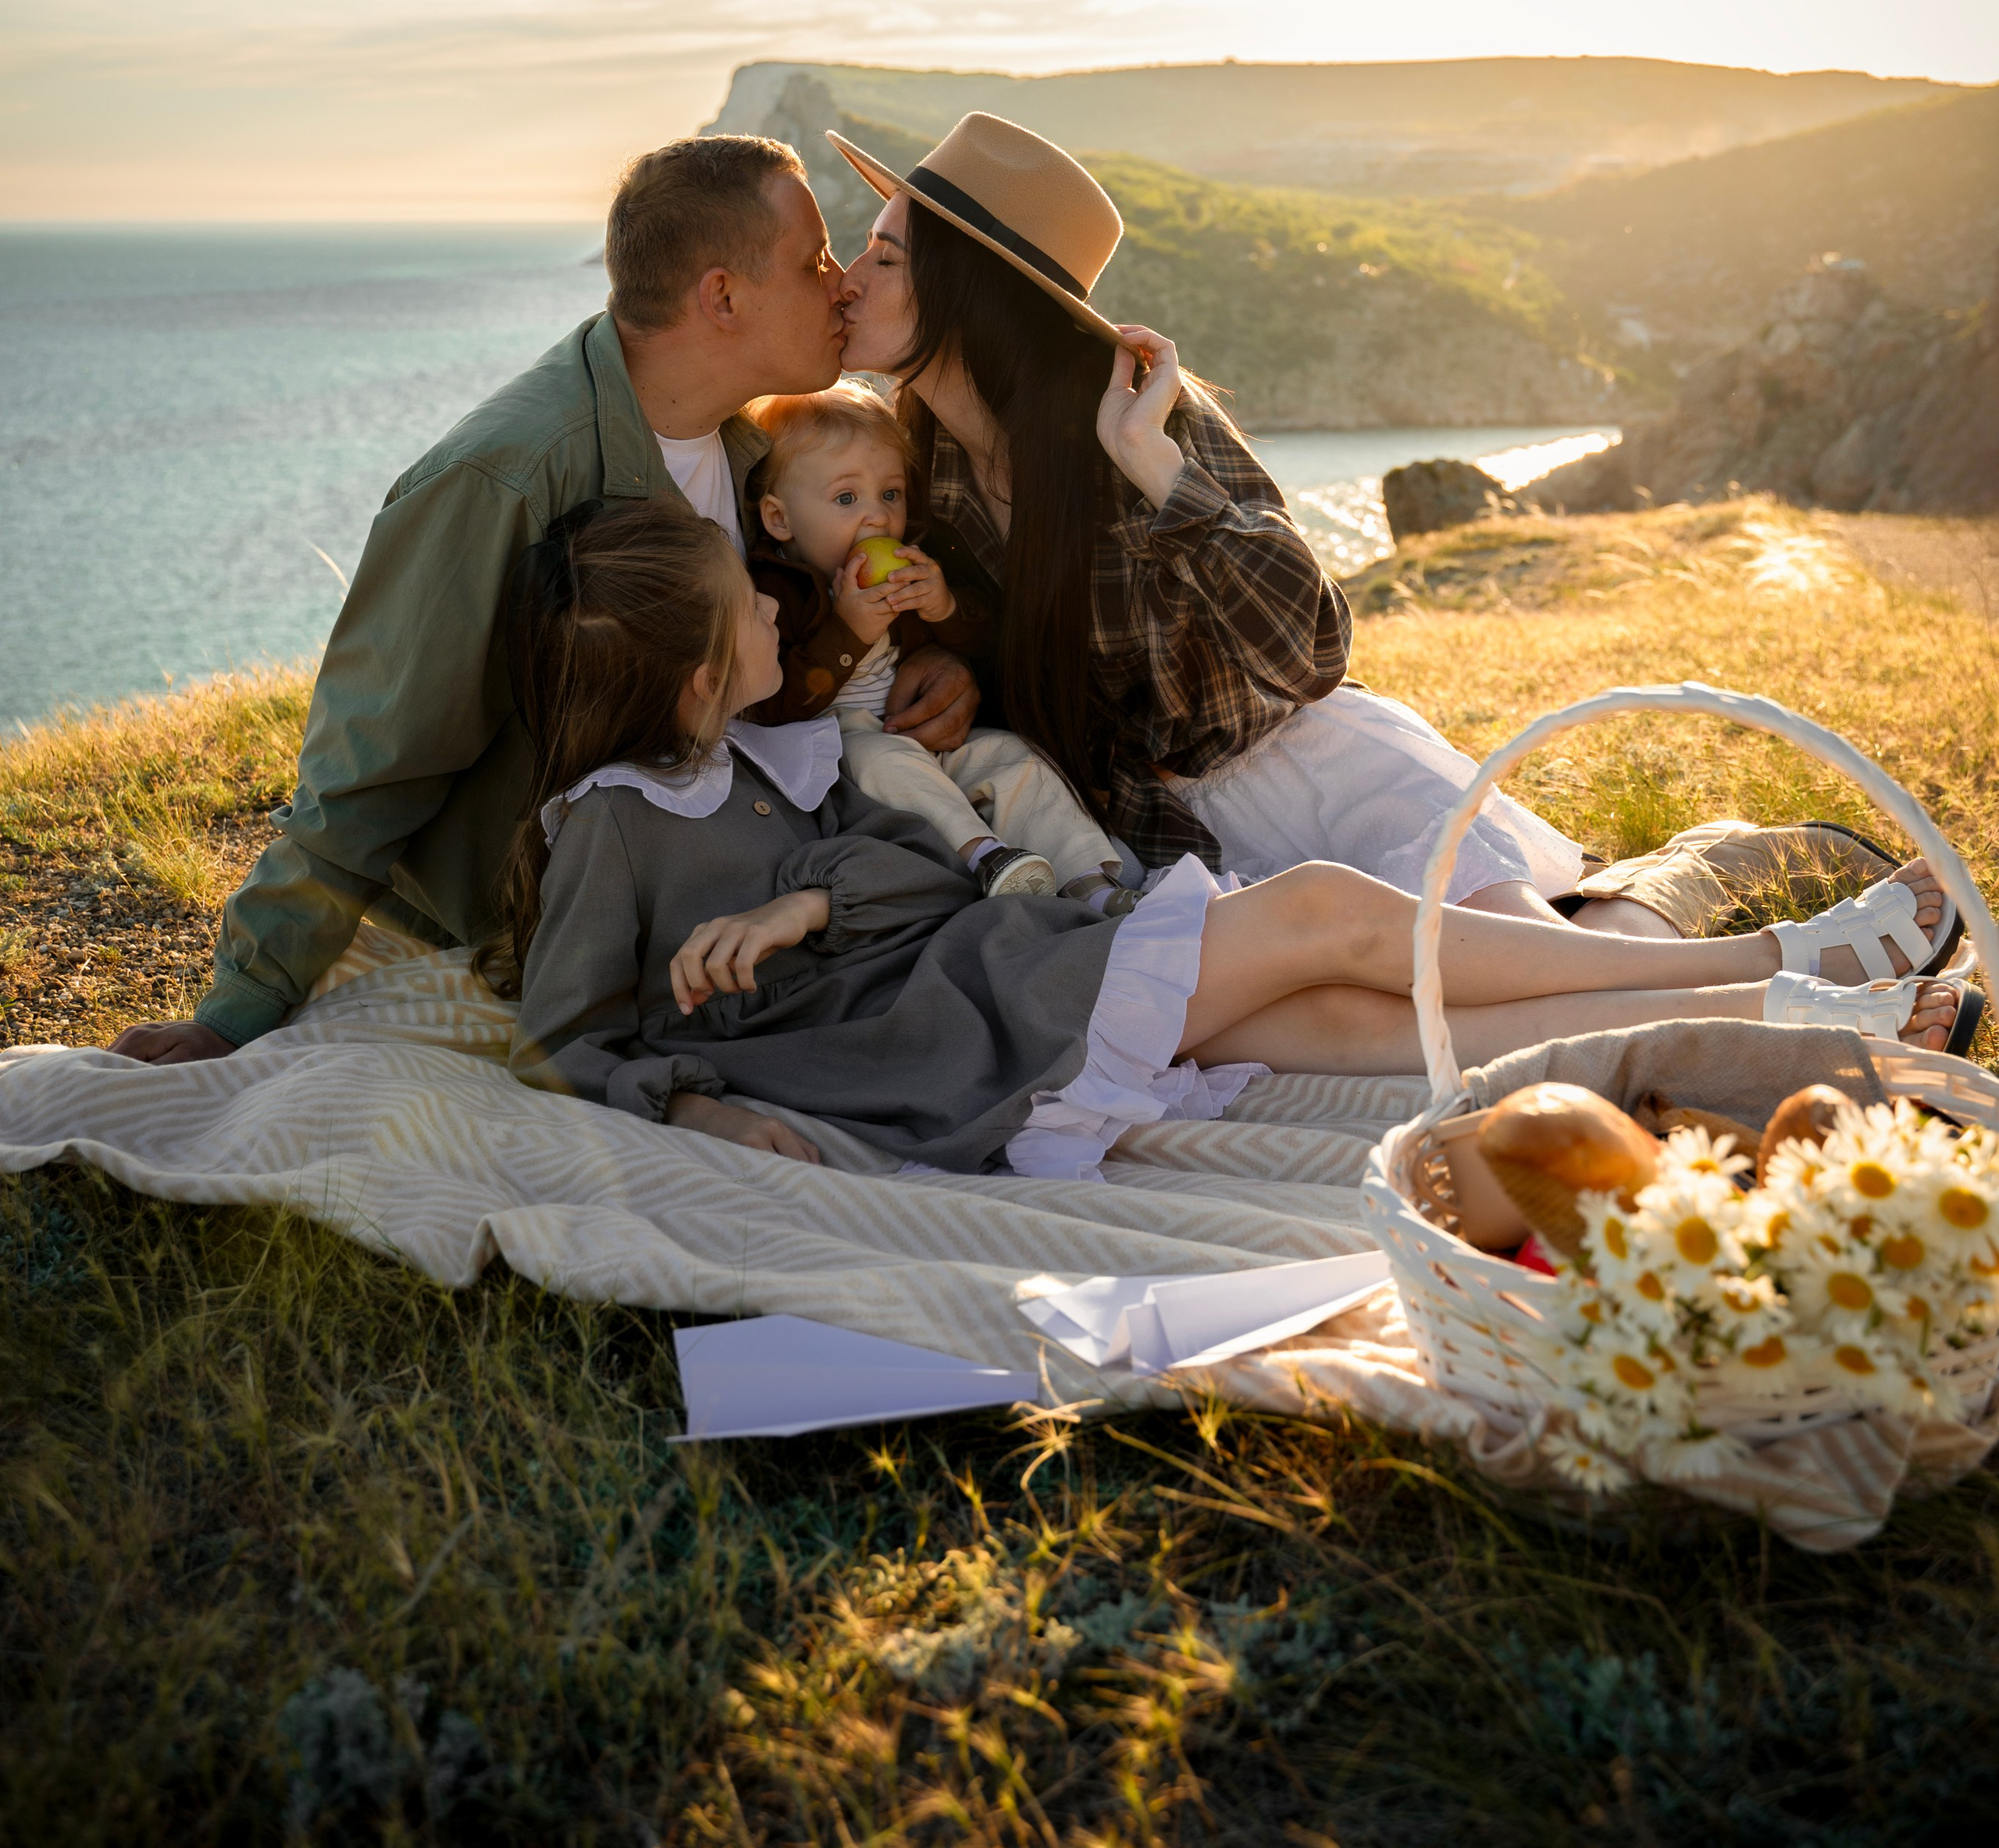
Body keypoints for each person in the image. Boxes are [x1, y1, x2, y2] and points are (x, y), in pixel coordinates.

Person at [501, 504, 1966, 1183]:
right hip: (949, 1025)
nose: (780, 609)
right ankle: (1779, 954)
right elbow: (573, 1037)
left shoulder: (790, 753)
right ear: (694, 673)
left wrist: (806, 912)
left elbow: (912, 870)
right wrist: (690, 1102)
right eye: (747, 611)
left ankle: (1813, 1008)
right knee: (1330, 908)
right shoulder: (615, 831)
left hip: (992, 966)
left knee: (1355, 1012)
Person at [829, 112, 1958, 983]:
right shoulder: (914, 470)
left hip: (1311, 759)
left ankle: (1785, 966)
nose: (851, 271)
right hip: (1165, 830)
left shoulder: (1136, 419)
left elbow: (1312, 649)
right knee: (1458, 986)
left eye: (884, 255)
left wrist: (1157, 472)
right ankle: (1716, 895)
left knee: (1502, 941)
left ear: (969, 291)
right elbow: (1005, 647)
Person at [110, 135, 981, 1066]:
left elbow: (779, 639)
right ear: (721, 296)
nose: (842, 282)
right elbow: (371, 764)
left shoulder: (759, 443)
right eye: (812, 261)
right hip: (590, 928)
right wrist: (240, 1003)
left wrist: (926, 659)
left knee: (998, 965)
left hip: (750, 861)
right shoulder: (510, 478)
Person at [746, 383, 1128, 903]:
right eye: (845, 497)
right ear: (779, 519)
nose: (878, 517)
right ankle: (987, 857)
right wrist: (848, 630)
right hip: (840, 756)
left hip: (922, 737)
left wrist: (944, 607)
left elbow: (983, 642)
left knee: (1013, 757)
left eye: (891, 494)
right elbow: (771, 707)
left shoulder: (907, 567)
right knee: (880, 761)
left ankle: (1091, 878)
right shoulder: (774, 593)